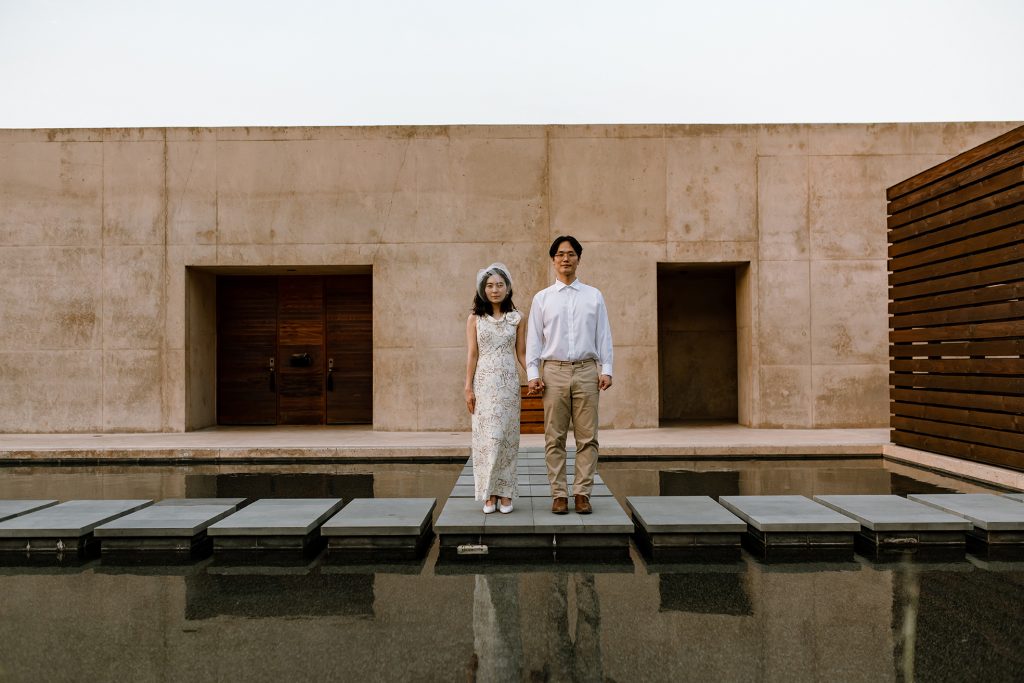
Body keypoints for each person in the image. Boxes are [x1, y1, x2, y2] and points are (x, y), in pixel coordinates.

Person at [526, 236, 613, 515]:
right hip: (554, 371)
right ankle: (559, 494)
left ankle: (582, 493)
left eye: (571, 254)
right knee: (555, 437)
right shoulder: (542, 298)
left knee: (588, 437)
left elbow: (604, 335)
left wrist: (606, 369)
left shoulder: (593, 295)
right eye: (561, 254)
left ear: (578, 259)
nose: (566, 259)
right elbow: (534, 340)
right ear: (553, 260)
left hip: (587, 370)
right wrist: (533, 373)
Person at [465, 262, 527, 514]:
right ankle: (488, 493)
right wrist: (467, 387)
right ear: (483, 289)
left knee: (506, 439)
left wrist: (535, 376)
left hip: (509, 384)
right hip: (484, 385)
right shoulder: (475, 319)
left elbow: (521, 353)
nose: (495, 290)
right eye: (490, 285)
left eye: (499, 285)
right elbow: (472, 354)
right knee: (486, 440)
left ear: (507, 288)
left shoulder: (517, 318)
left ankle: (505, 492)